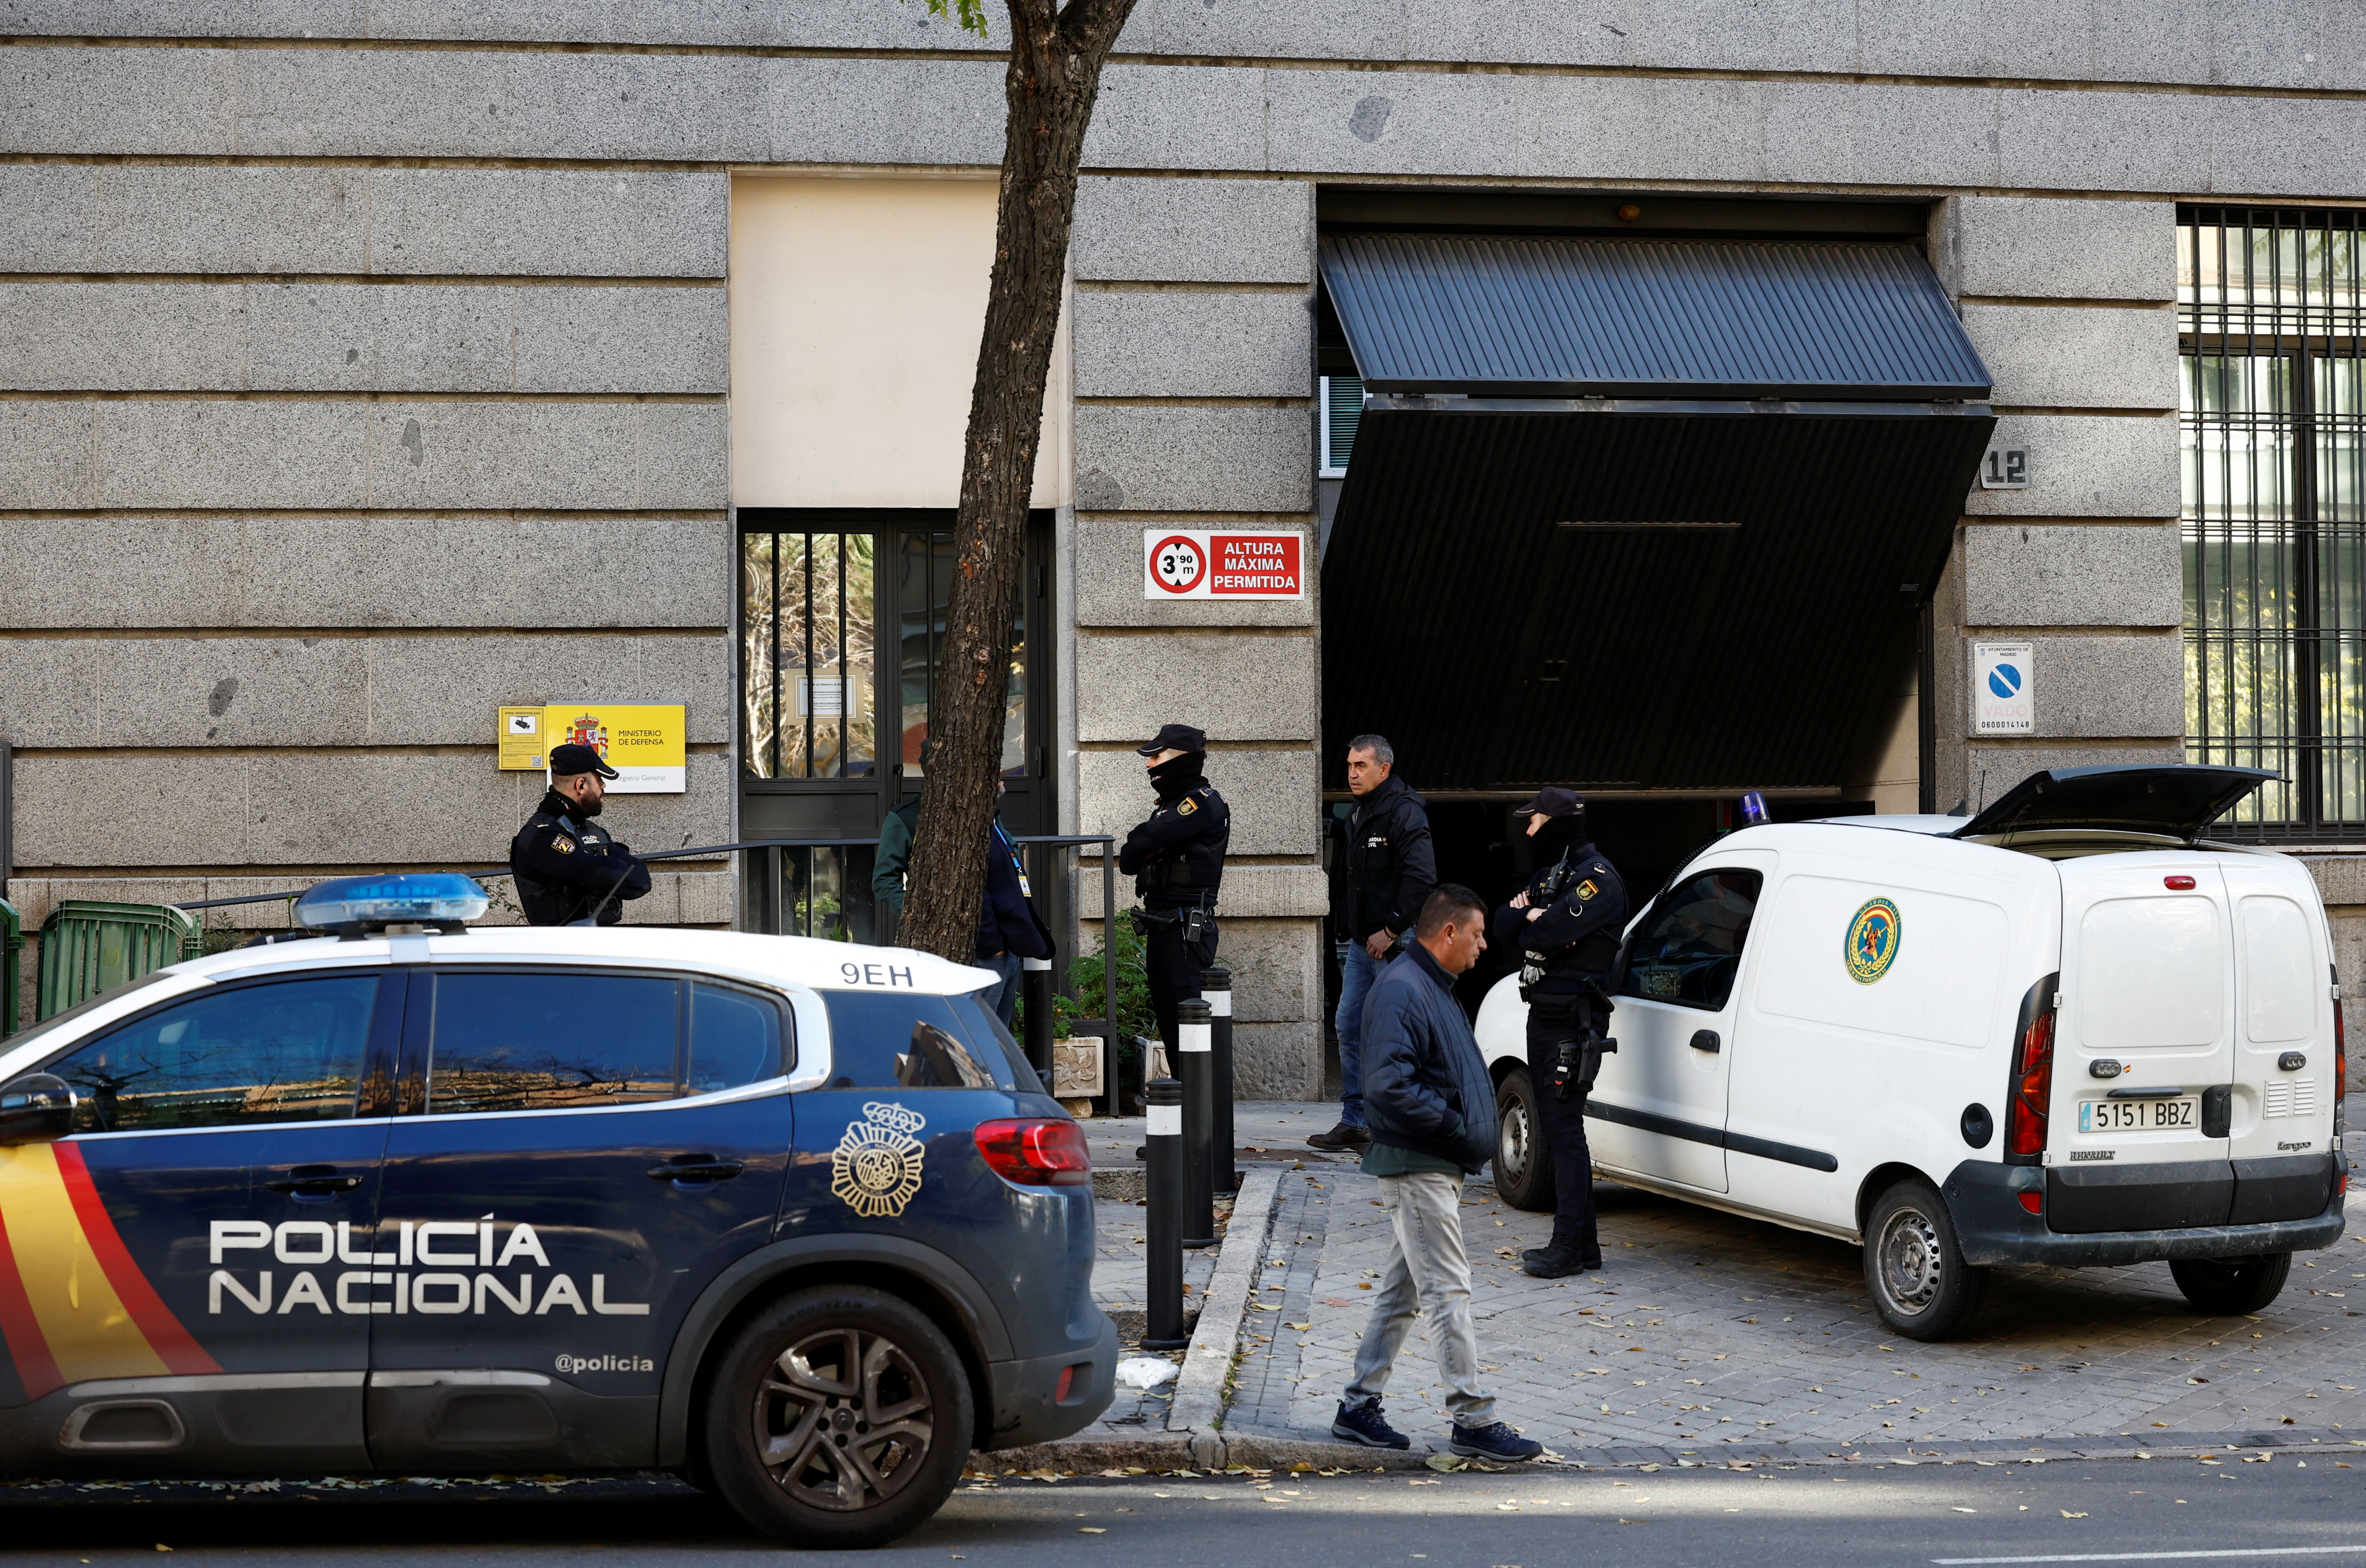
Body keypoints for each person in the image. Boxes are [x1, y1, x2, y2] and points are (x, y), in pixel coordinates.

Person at [1329, 885, 1541, 1463]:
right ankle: (1473, 1418)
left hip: (1429, 1160)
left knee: (1402, 1293)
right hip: (1419, 1163)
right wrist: (1452, 1125)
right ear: (1447, 932)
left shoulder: (1426, 983)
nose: (1481, 948)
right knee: (1449, 1289)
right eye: (1475, 936)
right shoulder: (1405, 987)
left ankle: (1357, 1406)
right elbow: (1386, 1085)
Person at [1492, 787, 1627, 1279]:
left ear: (1555, 824)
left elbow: (1542, 933)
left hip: (1573, 1019)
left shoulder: (1597, 880)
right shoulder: (1554, 875)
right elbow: (1505, 922)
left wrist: (1535, 920)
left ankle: (1568, 1243)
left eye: (1534, 823)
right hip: (1544, 1014)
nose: (1527, 831)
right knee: (1557, 1125)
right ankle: (1584, 1245)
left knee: (1564, 1131)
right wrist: (1532, 917)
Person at [1312, 734, 1436, 1153]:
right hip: (1364, 946)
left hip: (1394, 944)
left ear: (1384, 769)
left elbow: (1420, 878)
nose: (1351, 773)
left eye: (1360, 765)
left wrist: (1391, 929)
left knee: (1395, 1034)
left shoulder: (1404, 811)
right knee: (1348, 1026)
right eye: (1349, 765)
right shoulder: (1358, 813)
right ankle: (1356, 1121)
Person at [1115, 723, 1229, 1059]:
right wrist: (1147, 842)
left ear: (1181, 758)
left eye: (1157, 756)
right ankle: (1186, 1103)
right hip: (1162, 927)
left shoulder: (1201, 804)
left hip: (1185, 932)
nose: (1149, 764)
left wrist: (1149, 842)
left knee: (1187, 1023)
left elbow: (1143, 841)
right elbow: (1129, 859)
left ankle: (1201, 1107)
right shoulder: (1169, 806)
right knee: (1169, 1021)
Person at [508, 742, 652, 926]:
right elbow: (610, 876)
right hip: (559, 949)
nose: (603, 785)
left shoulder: (591, 830)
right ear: (581, 786)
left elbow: (640, 880)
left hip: (592, 945)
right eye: (599, 779)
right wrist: (607, 872)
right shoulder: (541, 837)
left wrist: (602, 872)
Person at [976, 790, 1054, 1027]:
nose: (1001, 773)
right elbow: (974, 889)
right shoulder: (971, 825)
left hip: (1007, 949)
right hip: (991, 952)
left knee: (999, 1038)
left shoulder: (993, 821)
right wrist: (993, 945)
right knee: (983, 1035)